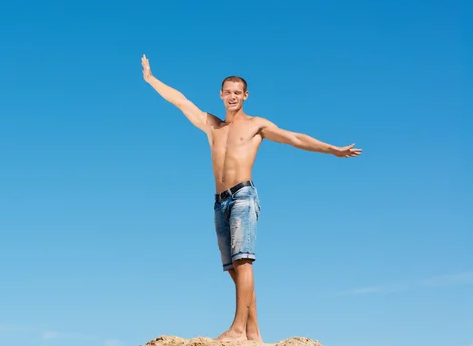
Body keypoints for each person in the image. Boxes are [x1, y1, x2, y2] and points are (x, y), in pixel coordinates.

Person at [140, 54, 362, 343]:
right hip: (220, 201)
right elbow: (181, 101)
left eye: (237, 92)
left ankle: (237, 329)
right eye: (227, 92)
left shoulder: (256, 125)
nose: (232, 97)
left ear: (245, 95)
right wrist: (150, 78)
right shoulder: (213, 126)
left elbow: (294, 138)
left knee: (243, 262)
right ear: (221, 95)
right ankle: (254, 332)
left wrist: (331, 149)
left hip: (243, 195)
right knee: (233, 267)